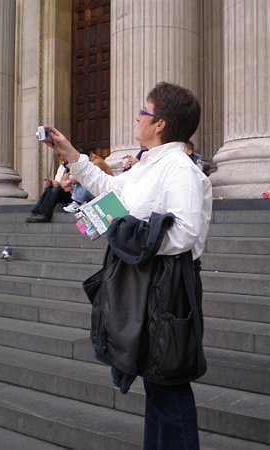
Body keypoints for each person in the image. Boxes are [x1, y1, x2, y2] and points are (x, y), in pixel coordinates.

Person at [46, 82, 212, 450]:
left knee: (168, 384)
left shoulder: (179, 169)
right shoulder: (149, 164)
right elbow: (112, 190)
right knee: (156, 383)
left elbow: (185, 233)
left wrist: (121, 229)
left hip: (166, 287)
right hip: (144, 282)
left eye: (143, 112)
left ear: (160, 124)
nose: (137, 117)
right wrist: (71, 154)